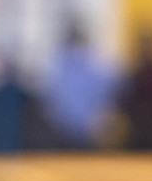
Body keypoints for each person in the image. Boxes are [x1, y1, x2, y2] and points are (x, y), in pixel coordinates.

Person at [42, 18, 115, 149]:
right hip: (81, 127)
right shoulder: (91, 61)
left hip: (72, 127)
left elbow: (51, 95)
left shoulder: (63, 62)